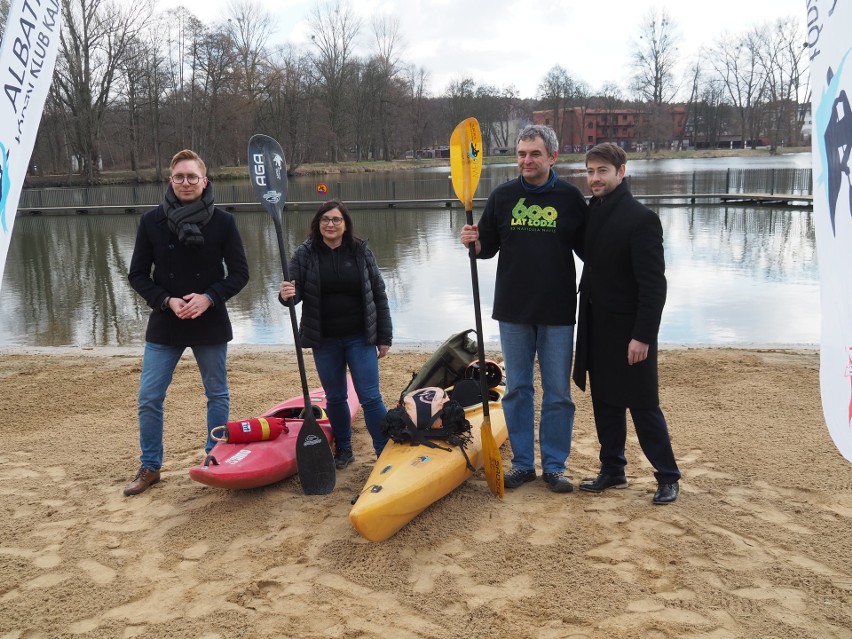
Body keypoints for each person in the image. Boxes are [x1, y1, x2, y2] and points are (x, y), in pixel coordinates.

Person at [459, 124, 587, 493]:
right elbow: (487, 248)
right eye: (521, 154)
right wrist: (473, 242)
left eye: (534, 154)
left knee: (558, 393)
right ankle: (522, 464)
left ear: (552, 157)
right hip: (513, 311)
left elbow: (590, 250)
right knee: (518, 390)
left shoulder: (570, 198)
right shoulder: (502, 196)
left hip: (559, 312)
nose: (526, 160)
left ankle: (554, 466)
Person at [124, 149, 249, 496]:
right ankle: (150, 466)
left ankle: (215, 457)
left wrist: (209, 297)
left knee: (216, 394)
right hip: (167, 320)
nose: (186, 182)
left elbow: (239, 274)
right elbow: (137, 274)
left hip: (209, 320)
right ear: (170, 180)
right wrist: (166, 300)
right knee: (149, 397)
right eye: (179, 176)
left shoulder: (223, 221)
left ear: (204, 181)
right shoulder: (151, 221)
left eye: (192, 176)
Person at [573, 142, 681, 504]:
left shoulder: (641, 218)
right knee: (605, 402)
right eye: (590, 171)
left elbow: (654, 287)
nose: (594, 178)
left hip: (630, 331)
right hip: (596, 325)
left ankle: (667, 476)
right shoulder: (594, 213)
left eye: (602, 171)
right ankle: (613, 469)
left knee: (643, 404)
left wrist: (642, 336)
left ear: (622, 171)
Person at [278, 200, 392, 468]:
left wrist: (384, 336)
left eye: (336, 220)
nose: (331, 224)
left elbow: (379, 293)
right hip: (324, 339)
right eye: (325, 219)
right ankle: (343, 448)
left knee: (371, 396)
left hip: (360, 337)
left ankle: (385, 449)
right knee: (336, 397)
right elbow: (292, 296)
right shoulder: (304, 254)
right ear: (318, 224)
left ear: (345, 224)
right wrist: (285, 296)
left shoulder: (361, 251)